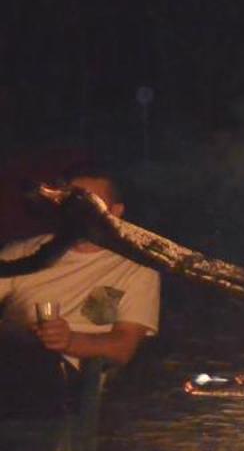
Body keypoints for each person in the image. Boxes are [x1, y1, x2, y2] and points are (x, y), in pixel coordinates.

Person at [0, 168, 160, 425]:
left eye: (91, 205)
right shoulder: (21, 253)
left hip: (68, 385)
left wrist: (69, 340)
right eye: (72, 203)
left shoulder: (134, 270)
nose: (80, 214)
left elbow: (123, 346)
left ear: (116, 212)